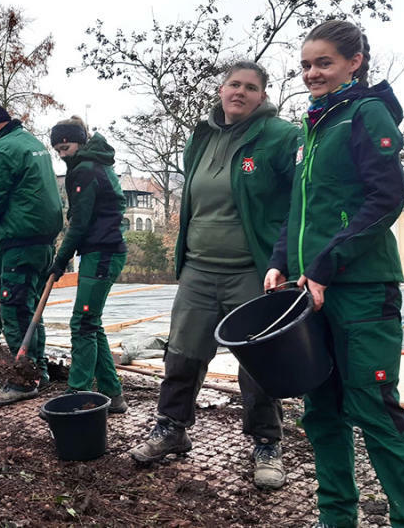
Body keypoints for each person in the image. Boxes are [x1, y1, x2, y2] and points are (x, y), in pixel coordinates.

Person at [264, 20, 404, 527]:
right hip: (308, 291)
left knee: (375, 409)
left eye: (323, 63)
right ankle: (336, 518)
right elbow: (298, 211)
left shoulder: (367, 114)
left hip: (361, 290)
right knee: (321, 410)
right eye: (304, 65)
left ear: (354, 63)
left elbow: (386, 200)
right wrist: (282, 260)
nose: (311, 73)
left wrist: (325, 263)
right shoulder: (312, 127)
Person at [129, 61, 298, 491]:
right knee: (182, 353)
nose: (240, 92)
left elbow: (298, 204)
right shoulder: (200, 137)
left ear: (263, 96)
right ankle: (172, 429)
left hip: (252, 273)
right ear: (221, 90)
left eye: (251, 87)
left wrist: (284, 261)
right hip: (199, 270)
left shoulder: (280, 137)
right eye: (233, 84)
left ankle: (267, 443)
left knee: (256, 363)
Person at [0, 102, 63, 406]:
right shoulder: (33, 143)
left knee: (13, 307)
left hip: (20, 237)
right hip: (44, 238)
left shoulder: (0, 150)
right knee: (31, 307)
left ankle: (22, 381)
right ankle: (39, 372)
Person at [48, 116, 128, 413]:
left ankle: (78, 394)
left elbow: (78, 224)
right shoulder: (97, 163)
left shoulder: (85, 170)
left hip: (102, 253)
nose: (62, 154)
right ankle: (113, 394)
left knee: (82, 323)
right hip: (102, 252)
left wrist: (59, 261)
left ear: (79, 142)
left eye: (65, 147)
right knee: (91, 322)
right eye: (57, 150)